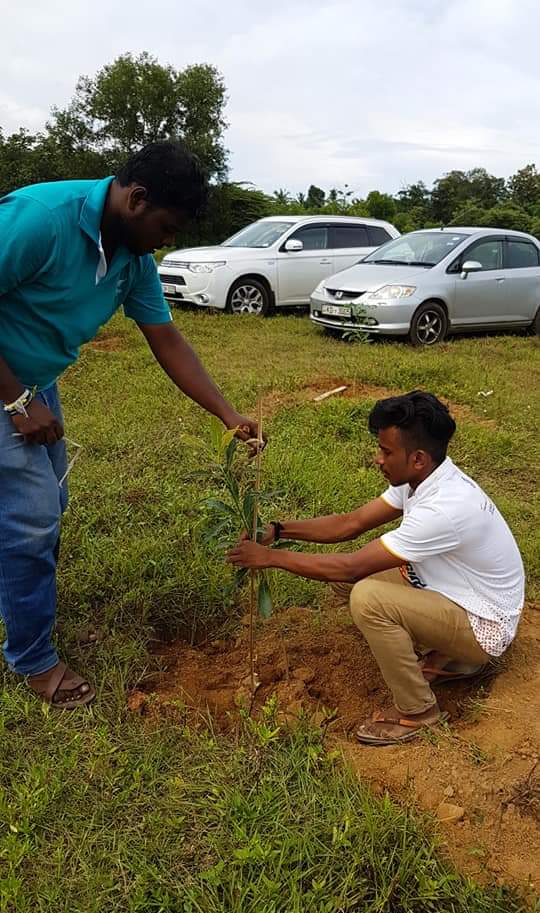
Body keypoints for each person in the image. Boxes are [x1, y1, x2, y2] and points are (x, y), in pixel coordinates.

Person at [0, 140, 261, 709]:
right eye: (167, 226)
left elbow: (166, 338)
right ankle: (32, 659)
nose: (169, 242)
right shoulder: (40, 220)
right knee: (31, 519)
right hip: (10, 387)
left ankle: (23, 597)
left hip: (35, 382)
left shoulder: (133, 260)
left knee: (48, 506)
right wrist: (17, 402)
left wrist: (227, 412)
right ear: (136, 198)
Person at [227, 391, 525, 745]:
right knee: (356, 584)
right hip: (459, 595)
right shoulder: (424, 479)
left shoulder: (443, 509)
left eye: (386, 452)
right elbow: (349, 524)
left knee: (366, 595)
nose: (377, 459)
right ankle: (445, 657)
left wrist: (272, 558)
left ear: (416, 458)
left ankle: (419, 712)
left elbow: (351, 567)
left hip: (484, 625)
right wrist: (277, 531)